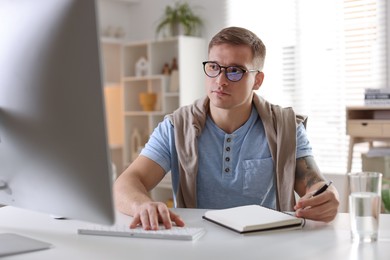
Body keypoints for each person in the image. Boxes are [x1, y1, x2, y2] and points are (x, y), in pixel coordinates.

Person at [114, 26, 340, 230]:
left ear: (257, 80)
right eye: (214, 67)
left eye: (235, 71)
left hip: (268, 246)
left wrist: (328, 197)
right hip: (198, 245)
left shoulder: (286, 127)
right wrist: (141, 205)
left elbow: (314, 185)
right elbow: (126, 182)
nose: (220, 80)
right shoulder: (176, 126)